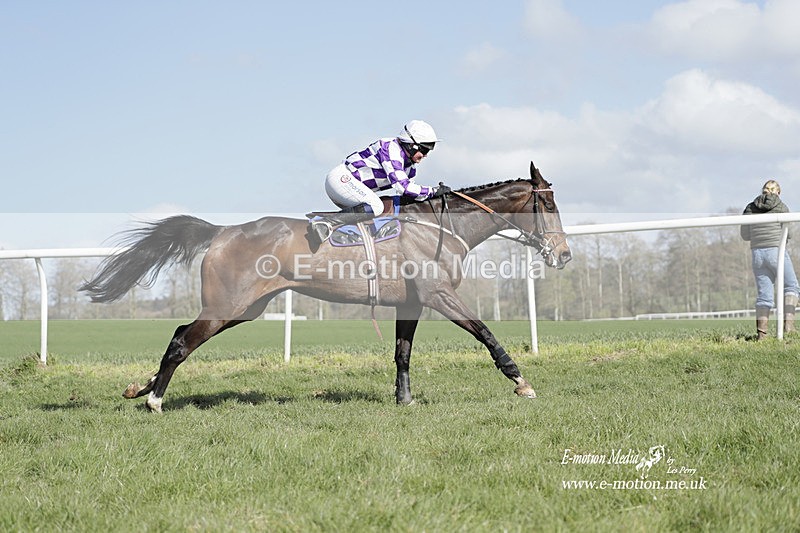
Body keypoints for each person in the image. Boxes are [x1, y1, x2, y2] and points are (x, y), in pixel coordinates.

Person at [309, 120, 450, 243]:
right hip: (341, 180)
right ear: (411, 145)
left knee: (384, 208)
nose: (425, 155)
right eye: (425, 150)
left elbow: (409, 195)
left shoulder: (410, 169)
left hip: (352, 189)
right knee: (376, 206)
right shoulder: (390, 148)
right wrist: (433, 191)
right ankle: (324, 224)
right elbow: (404, 188)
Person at [741, 180, 799, 339]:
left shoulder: (750, 207)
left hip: (757, 254)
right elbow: (788, 234)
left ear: (763, 191)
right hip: (776, 251)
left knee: (764, 295)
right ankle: (788, 327)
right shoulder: (781, 205)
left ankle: (762, 335)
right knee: (791, 286)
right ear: (778, 192)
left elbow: (745, 235)